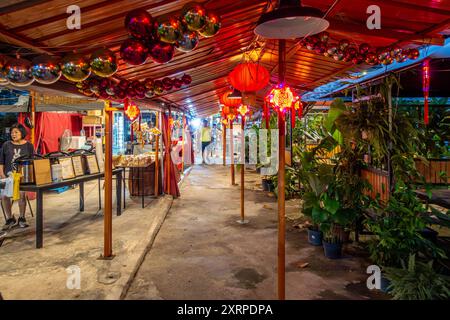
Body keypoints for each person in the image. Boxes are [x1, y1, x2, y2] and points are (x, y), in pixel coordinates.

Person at [0, 123, 34, 230]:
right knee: (4, 196)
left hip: (23, 177)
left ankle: (22, 218)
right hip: (8, 176)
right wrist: (2, 175)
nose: (13, 134)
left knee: (22, 196)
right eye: (12, 133)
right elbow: (1, 162)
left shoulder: (29, 145)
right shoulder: (6, 145)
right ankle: (10, 219)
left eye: (16, 132)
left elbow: (33, 162)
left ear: (22, 133)